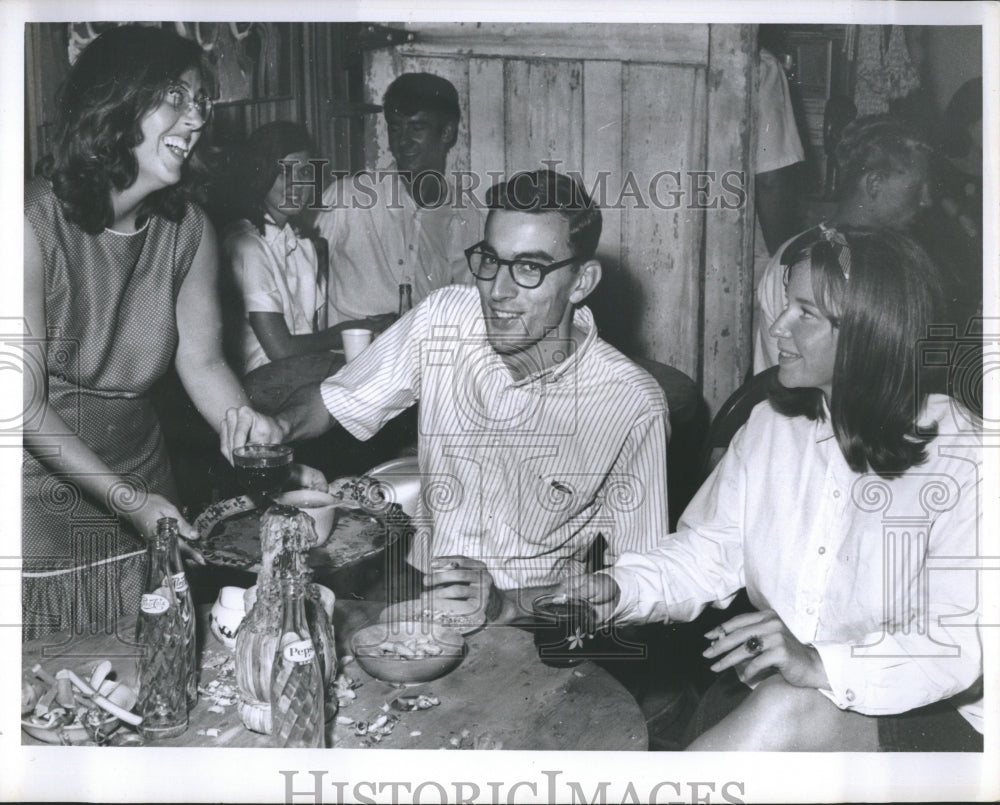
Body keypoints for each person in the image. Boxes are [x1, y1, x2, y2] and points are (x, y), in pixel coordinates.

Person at [565, 225, 983, 751]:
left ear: (871, 331)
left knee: (781, 710)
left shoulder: (967, 455)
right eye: (786, 304)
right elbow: (708, 552)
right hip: (789, 690)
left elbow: (953, 647)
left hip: (935, 715)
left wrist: (817, 662)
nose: (778, 324)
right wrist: (622, 589)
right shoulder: (770, 426)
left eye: (805, 313)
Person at [223, 169, 670, 599]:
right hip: (420, 589)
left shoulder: (631, 405)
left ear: (582, 281)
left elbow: (639, 582)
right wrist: (280, 427)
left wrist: (506, 603)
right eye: (491, 261)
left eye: (529, 269)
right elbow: (335, 399)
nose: (498, 291)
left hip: (534, 623)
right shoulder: (445, 319)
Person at [22, 25, 284, 639]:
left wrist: (243, 425)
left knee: (156, 672)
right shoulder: (28, 225)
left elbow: (203, 363)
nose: (195, 119)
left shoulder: (188, 227)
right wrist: (128, 502)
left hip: (145, 481)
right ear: (114, 103)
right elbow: (23, 406)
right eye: (175, 95)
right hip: (38, 497)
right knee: (61, 691)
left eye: (200, 101)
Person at [753, 114, 933, 372]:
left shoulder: (883, 254)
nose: (927, 201)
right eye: (918, 189)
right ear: (874, 183)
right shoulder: (807, 262)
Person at [221, 121, 393, 376]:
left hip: (300, 373)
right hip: (258, 383)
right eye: (284, 172)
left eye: (303, 174)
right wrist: (348, 330)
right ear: (260, 173)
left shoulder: (303, 246)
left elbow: (308, 339)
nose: (296, 185)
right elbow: (280, 349)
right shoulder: (247, 245)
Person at [314, 72, 484, 326]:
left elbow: (468, 306)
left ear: (447, 133)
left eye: (417, 128)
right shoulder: (347, 197)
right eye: (395, 128)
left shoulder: (467, 217)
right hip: (348, 358)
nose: (403, 141)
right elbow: (302, 283)